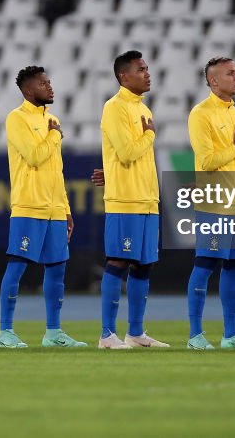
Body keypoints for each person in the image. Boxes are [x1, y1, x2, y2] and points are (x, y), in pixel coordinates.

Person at [0, 66, 86, 348]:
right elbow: (35, 156)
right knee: (18, 265)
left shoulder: (52, 120)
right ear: (27, 90)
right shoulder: (17, 118)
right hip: (29, 205)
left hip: (55, 208)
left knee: (57, 269)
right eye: (43, 83)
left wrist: (66, 207)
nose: (50, 87)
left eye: (49, 82)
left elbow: (56, 169)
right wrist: (54, 136)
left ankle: (53, 333)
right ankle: (6, 332)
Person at [185, 57, 235, 350]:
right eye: (230, 73)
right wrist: (234, 146)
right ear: (214, 81)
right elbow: (205, 162)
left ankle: (231, 335)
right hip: (215, 202)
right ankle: (195, 336)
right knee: (206, 264)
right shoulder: (200, 114)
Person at [97, 50, 168, 349]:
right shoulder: (114, 108)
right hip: (125, 199)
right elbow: (126, 152)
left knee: (143, 265)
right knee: (119, 261)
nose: (147, 73)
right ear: (124, 76)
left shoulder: (144, 109)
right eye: (141, 69)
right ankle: (106, 335)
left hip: (147, 199)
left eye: (147, 68)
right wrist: (150, 135)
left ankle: (136, 333)